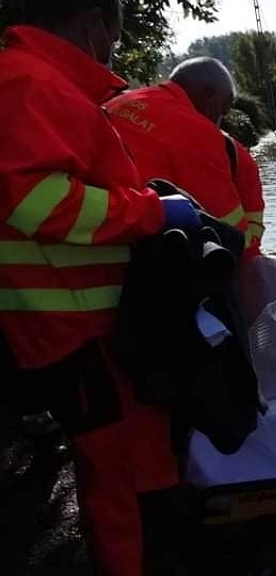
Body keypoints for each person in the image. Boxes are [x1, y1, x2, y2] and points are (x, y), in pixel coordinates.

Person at [0, 1, 201, 575]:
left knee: (137, 467)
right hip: (71, 326)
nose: (112, 50)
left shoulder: (39, 82)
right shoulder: (30, 82)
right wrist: (151, 214)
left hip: (85, 323)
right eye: (114, 36)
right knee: (118, 480)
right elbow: (38, 203)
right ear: (95, 26)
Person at [106, 57, 266, 258]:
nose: (219, 122)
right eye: (222, 110)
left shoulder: (119, 102)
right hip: (144, 257)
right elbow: (229, 231)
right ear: (209, 95)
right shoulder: (199, 134)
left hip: (99, 233)